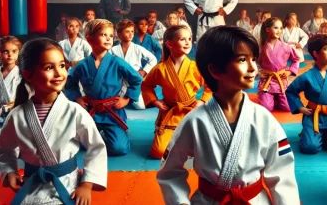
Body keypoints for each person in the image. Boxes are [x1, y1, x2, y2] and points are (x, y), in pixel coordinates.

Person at [157, 26, 300, 204]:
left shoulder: (264, 119)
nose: (253, 68)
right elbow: (169, 172)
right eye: (242, 60)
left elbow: (282, 172)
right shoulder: (195, 121)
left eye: (254, 59)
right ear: (215, 71)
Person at [0, 38, 107, 204]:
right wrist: (9, 171)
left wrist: (86, 185)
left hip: (68, 183)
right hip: (31, 183)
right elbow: (4, 150)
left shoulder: (75, 111)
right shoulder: (17, 115)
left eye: (62, 65)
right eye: (49, 67)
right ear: (28, 74)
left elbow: (96, 148)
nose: (59, 73)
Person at [65, 19, 142, 156]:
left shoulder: (117, 62)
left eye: (111, 36)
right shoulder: (82, 65)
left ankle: (116, 135)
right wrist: (77, 98)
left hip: (111, 111)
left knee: (119, 148)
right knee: (80, 146)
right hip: (91, 111)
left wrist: (127, 99)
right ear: (90, 39)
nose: (108, 38)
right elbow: (69, 84)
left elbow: (136, 80)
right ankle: (100, 138)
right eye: (103, 35)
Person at [141, 25, 212, 159]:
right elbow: (146, 85)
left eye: (189, 39)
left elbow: (211, 86)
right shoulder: (160, 68)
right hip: (170, 112)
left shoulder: (195, 66)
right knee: (158, 152)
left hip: (191, 112)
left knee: (206, 151)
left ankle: (187, 144)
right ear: (170, 44)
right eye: (182, 39)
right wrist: (155, 101)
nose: (187, 42)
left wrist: (202, 101)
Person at [110, 19, 157, 110]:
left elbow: (153, 59)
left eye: (132, 31)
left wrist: (144, 71)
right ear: (119, 34)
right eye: (127, 31)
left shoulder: (137, 48)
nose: (131, 34)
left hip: (134, 81)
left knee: (140, 107)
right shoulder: (113, 50)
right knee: (113, 105)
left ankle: (130, 99)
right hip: (118, 81)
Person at [258, 17, 299, 112]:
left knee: (289, 108)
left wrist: (290, 72)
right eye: (276, 28)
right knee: (266, 108)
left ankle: (276, 98)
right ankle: (267, 97)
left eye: (281, 28)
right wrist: (259, 71)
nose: (279, 31)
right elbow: (253, 60)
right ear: (267, 30)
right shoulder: (261, 47)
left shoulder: (286, 47)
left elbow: (296, 59)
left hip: (281, 80)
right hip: (267, 81)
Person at [0, 36, 22, 127]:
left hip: (16, 115)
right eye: (5, 51)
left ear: (18, 52)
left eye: (14, 51)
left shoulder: (22, 74)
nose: (10, 55)